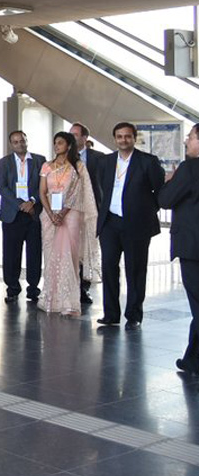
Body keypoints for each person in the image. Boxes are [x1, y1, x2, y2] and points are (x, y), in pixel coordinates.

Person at [96, 122, 164, 329]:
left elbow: (159, 192)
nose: (123, 140)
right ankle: (111, 314)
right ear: (114, 139)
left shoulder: (148, 162)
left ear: (135, 138)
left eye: (127, 136)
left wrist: (144, 211)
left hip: (136, 224)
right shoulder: (106, 162)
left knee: (135, 270)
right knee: (108, 267)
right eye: (119, 136)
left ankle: (134, 314)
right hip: (110, 222)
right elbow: (101, 189)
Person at [37, 132, 98, 316]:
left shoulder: (78, 167)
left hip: (71, 215)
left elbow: (78, 193)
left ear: (69, 145)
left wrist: (63, 212)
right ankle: (51, 299)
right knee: (50, 255)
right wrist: (51, 213)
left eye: (60, 143)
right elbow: (42, 192)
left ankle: (69, 301)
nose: (57, 146)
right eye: (55, 142)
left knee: (69, 256)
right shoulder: (47, 166)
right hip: (49, 216)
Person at [158, 123, 199, 375]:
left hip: (193, 246)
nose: (186, 140)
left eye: (191, 137)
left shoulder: (189, 168)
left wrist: (170, 181)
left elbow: (165, 199)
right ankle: (192, 359)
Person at [0, 129, 46, 304]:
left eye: (22, 141)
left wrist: (32, 201)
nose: (20, 144)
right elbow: (1, 187)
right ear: (11, 144)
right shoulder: (4, 163)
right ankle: (12, 288)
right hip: (12, 214)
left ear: (27, 141)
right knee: (11, 254)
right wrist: (19, 204)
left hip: (34, 214)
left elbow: (44, 186)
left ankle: (33, 288)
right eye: (16, 142)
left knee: (34, 253)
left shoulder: (40, 160)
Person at [70, 121, 105, 306]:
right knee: (72, 249)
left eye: (75, 135)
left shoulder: (99, 158)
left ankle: (84, 288)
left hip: (91, 211)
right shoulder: (64, 157)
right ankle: (71, 286)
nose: (72, 138)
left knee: (88, 249)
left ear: (84, 138)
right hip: (70, 211)